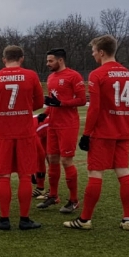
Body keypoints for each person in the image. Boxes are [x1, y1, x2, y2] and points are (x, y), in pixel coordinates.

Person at [64, 35, 129, 231]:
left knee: (95, 173)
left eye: (94, 51)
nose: (93, 54)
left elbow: (94, 108)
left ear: (102, 52)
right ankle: (127, 219)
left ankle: (85, 219)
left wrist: (87, 134)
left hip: (103, 132)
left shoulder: (97, 74)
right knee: (123, 172)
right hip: (123, 130)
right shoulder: (127, 73)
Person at [0, 45, 44, 231]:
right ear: (22, 59)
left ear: (4, 60)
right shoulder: (31, 75)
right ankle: (24, 219)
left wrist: (2, 108)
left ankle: (4, 219)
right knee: (25, 176)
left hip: (3, 134)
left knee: (4, 176)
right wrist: (23, 108)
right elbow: (39, 103)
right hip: (26, 133)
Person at [37, 48, 86, 213]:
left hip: (68, 125)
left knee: (66, 161)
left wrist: (62, 104)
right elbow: (54, 102)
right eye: (47, 61)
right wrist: (45, 114)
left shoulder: (74, 76)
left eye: (50, 61)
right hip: (53, 124)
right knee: (52, 159)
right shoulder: (50, 77)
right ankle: (53, 195)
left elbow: (82, 100)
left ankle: (74, 200)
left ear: (60, 60)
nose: (47, 64)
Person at [33, 112, 50, 200]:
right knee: (40, 159)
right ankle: (40, 188)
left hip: (50, 127)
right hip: (41, 130)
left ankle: (53, 191)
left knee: (51, 158)